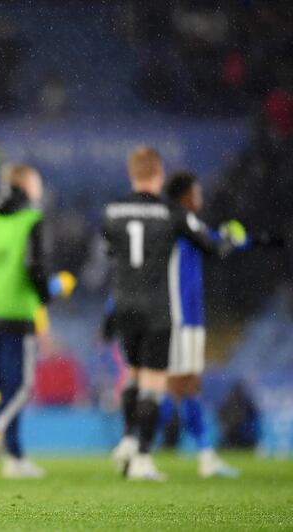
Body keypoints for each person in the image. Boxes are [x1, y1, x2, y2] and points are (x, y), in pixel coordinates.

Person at [104, 147, 244, 481]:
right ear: (159, 174)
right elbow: (212, 247)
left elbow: (112, 252)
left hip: (125, 304)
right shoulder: (172, 213)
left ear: (131, 173)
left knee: (133, 377)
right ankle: (141, 459)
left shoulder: (113, 212)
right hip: (157, 308)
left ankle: (126, 439)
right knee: (155, 385)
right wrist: (231, 239)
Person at [0, 165, 75, 478]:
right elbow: (36, 267)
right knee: (21, 387)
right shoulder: (32, 220)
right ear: (28, 187)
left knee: (5, 386)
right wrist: (51, 290)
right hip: (15, 313)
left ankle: (16, 457)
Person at [160, 171, 242, 478]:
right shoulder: (182, 219)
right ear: (185, 196)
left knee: (184, 384)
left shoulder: (183, 223)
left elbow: (210, 241)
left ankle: (205, 454)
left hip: (189, 313)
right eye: (197, 192)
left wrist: (229, 238)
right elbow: (215, 249)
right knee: (176, 385)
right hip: (182, 314)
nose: (201, 198)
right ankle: (136, 445)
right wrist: (232, 240)